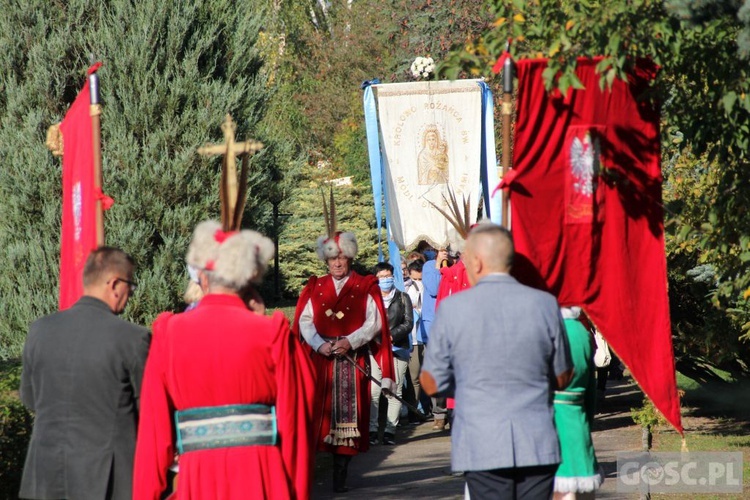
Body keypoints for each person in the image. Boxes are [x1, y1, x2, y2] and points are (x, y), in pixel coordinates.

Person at [133, 220, 317, 499]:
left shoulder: (168, 333)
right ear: (247, 281)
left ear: (203, 278)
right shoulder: (272, 331)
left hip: (198, 477)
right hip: (262, 475)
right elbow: (297, 420)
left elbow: (153, 435)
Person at [421, 222, 574, 499]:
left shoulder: (453, 309)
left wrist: (469, 385)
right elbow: (563, 375)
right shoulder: (545, 304)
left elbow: (431, 382)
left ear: (477, 262)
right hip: (537, 440)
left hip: (481, 442)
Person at [19, 247, 150, 500]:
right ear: (114, 284)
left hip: (45, 476)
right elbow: (148, 410)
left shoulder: (40, 330)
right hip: (107, 481)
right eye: (130, 287)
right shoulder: (133, 338)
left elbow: (30, 399)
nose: (129, 295)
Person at [292, 230, 395, 493]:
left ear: (349, 257)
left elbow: (374, 323)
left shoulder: (364, 285)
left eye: (341, 258)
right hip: (321, 363)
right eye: (332, 259)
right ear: (325, 261)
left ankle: (340, 477)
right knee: (315, 419)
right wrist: (320, 344)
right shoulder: (315, 286)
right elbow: (305, 321)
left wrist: (350, 341)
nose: (337, 264)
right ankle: (307, 478)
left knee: (347, 425)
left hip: (352, 360)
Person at [554, 307, 603, 499]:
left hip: (550, 433)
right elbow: (590, 396)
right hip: (578, 428)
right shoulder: (581, 332)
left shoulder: (543, 329)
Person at [369, 262, 413, 445]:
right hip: (377, 349)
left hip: (398, 348)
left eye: (388, 276)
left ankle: (390, 429)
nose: (385, 280)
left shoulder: (402, 298)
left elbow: (408, 323)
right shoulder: (371, 299)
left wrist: (392, 336)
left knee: (395, 390)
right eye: (381, 277)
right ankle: (372, 429)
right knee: (374, 390)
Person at [421, 246, 450, 430]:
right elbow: (434, 289)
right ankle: (439, 413)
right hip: (433, 326)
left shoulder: (457, 265)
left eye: (446, 249)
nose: (445, 252)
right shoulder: (430, 266)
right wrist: (439, 265)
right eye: (441, 249)